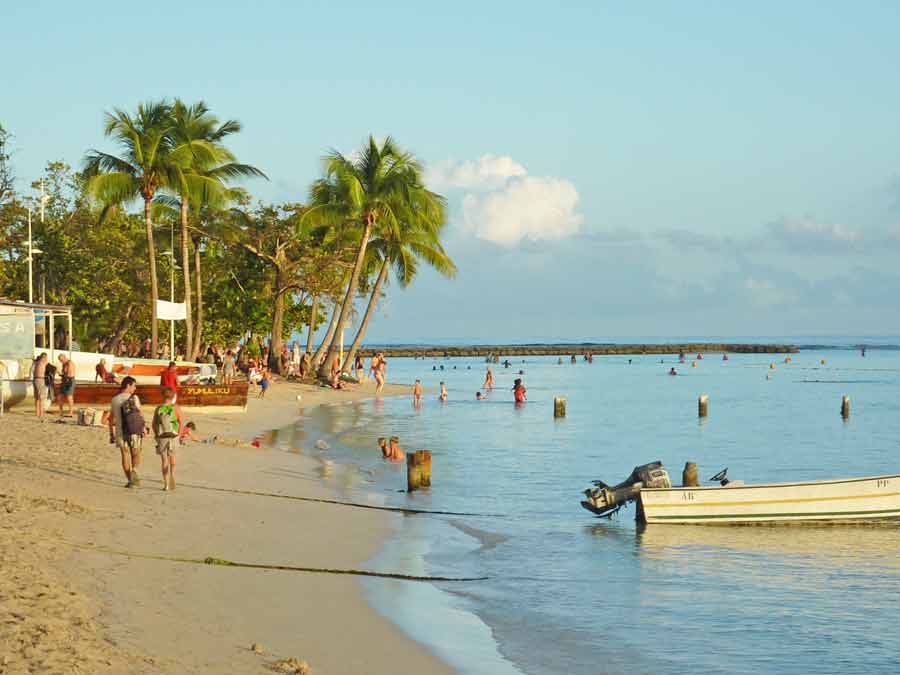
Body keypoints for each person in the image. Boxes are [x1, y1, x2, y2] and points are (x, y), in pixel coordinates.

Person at [109, 376, 143, 488]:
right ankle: (135, 471)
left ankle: (130, 480)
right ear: (128, 385)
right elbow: (139, 415)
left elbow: (111, 419)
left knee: (125, 455)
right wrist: (144, 428)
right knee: (136, 453)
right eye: (134, 386)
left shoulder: (114, 400)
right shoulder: (135, 398)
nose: (135, 388)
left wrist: (111, 434)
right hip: (133, 430)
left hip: (120, 431)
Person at [152, 387, 182, 491]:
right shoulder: (176, 408)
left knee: (164, 461)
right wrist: (179, 434)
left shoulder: (158, 408)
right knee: (173, 460)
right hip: (173, 436)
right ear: (173, 396)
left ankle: (166, 484)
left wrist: (156, 435)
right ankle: (172, 475)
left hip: (162, 437)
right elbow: (181, 421)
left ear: (163, 396)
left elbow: (154, 424)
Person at [31, 353, 48, 419]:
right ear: (43, 357)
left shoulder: (36, 362)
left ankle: (37, 413)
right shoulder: (43, 362)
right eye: (46, 357)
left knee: (37, 398)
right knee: (41, 398)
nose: (47, 359)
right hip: (40, 380)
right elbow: (52, 367)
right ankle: (41, 414)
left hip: (35, 379)